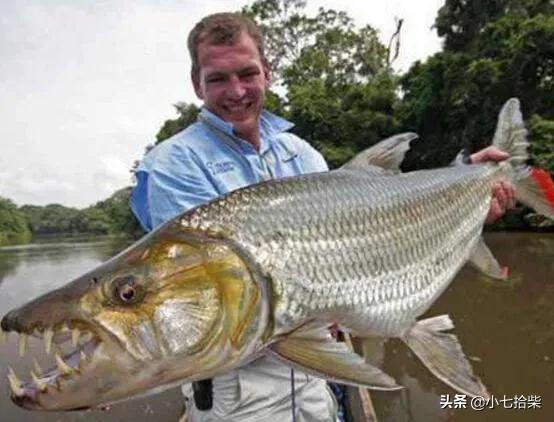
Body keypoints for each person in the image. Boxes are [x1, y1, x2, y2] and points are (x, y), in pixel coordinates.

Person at [130, 12, 515, 422]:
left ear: (267, 73)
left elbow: (370, 223)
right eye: (218, 79)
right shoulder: (173, 165)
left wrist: (463, 186)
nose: (236, 91)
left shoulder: (300, 153)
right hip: (238, 394)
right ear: (196, 84)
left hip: (315, 378)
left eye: (247, 73)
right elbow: (201, 303)